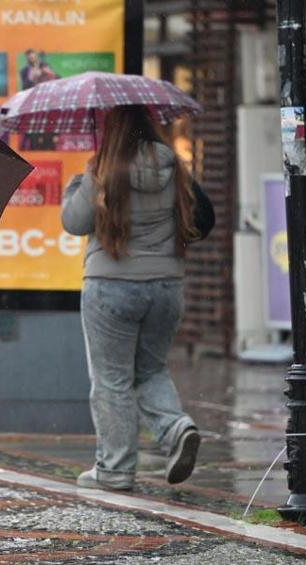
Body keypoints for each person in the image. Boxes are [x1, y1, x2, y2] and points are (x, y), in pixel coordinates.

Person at [61, 105, 214, 492]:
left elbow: (74, 222)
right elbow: (202, 217)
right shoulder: (174, 168)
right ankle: (176, 428)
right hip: (166, 287)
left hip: (111, 286)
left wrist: (77, 183)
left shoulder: (104, 169)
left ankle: (114, 469)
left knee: (111, 379)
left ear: (112, 130)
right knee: (150, 369)